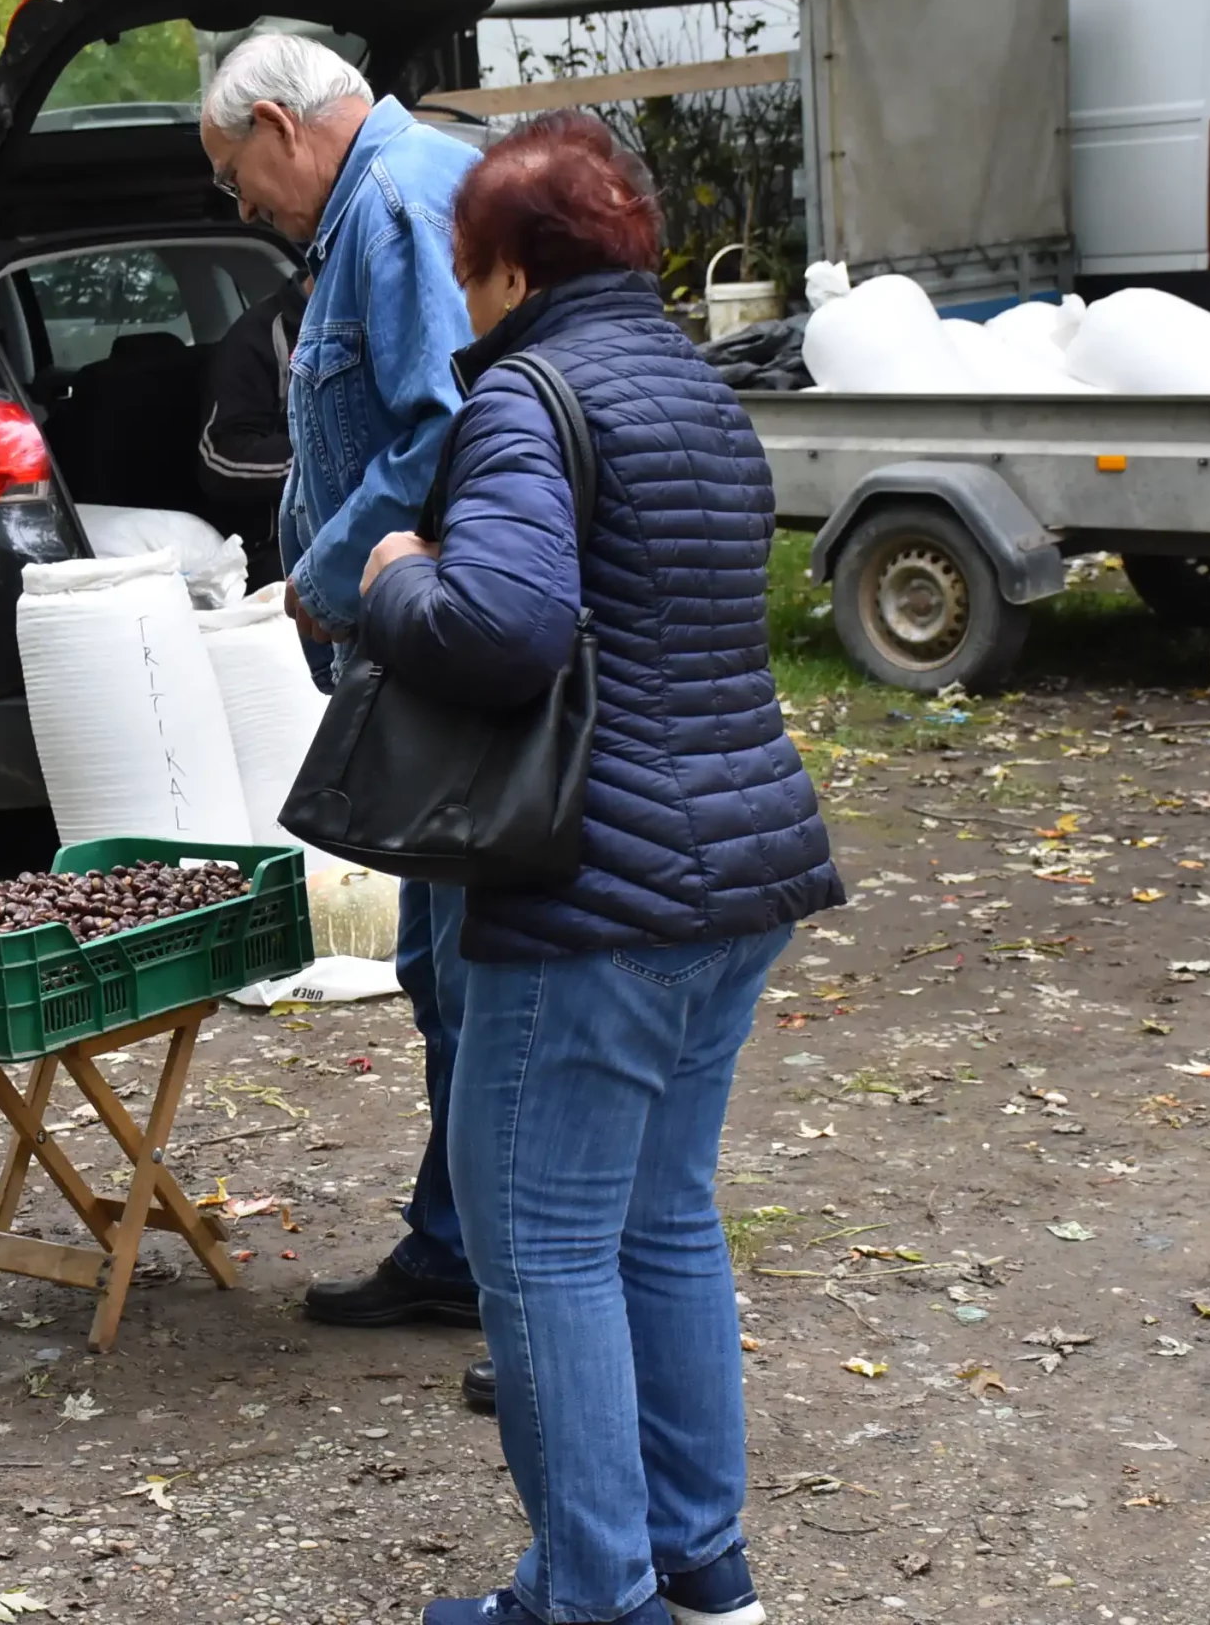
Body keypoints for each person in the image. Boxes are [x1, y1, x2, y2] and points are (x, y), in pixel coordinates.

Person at [355, 110, 846, 1625]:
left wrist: (395, 578)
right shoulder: (698, 386)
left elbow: (503, 625)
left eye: (465, 267)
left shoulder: (526, 395)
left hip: (594, 904)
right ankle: (700, 1567)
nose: (465, 295)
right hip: (736, 875)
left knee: (546, 1249)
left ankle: (592, 1595)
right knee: (662, 1217)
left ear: (504, 267)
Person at [198, 31, 483, 1329]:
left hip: (440, 645)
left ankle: (499, 1266)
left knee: (470, 967)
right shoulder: (378, 200)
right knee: (435, 960)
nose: (240, 203)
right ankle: (454, 1243)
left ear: (277, 121)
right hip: (413, 648)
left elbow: (437, 425)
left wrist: (322, 567)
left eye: (235, 174)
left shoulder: (393, 203)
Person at [195, 276, 307, 592]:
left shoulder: (378, 325)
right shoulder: (259, 337)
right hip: (271, 549)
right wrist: (320, 462)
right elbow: (220, 457)